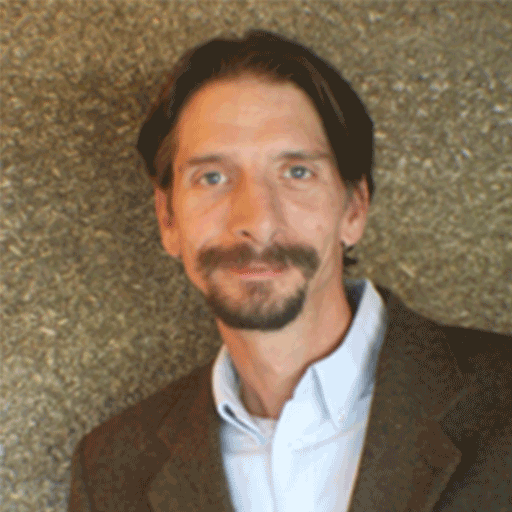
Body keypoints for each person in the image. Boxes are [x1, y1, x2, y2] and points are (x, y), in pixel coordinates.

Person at [68, 29, 511, 512]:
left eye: (297, 172)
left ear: (354, 208)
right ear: (168, 218)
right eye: (212, 177)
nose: (256, 221)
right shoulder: (112, 472)